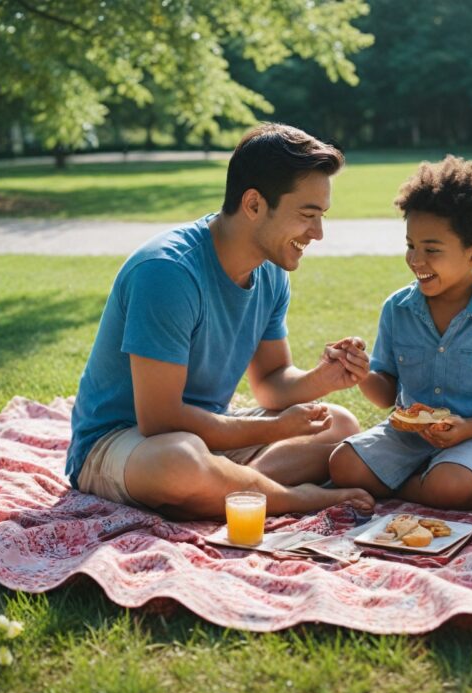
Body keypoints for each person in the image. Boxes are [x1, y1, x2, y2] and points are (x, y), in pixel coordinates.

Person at [65, 123, 374, 520]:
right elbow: (160, 419)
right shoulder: (167, 272)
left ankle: (230, 490)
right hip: (126, 441)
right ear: (253, 205)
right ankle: (291, 499)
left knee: (339, 425)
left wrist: (322, 378)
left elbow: (271, 383)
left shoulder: (271, 269)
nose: (317, 233)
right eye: (307, 215)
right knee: (179, 461)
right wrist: (275, 430)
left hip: (210, 436)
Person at [327, 156, 472, 510]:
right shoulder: (397, 309)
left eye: (432, 250)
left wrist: (469, 428)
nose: (416, 260)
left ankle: (411, 485)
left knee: (450, 486)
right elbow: (385, 394)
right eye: (410, 245)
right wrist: (362, 373)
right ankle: (422, 483)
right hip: (409, 437)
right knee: (343, 464)